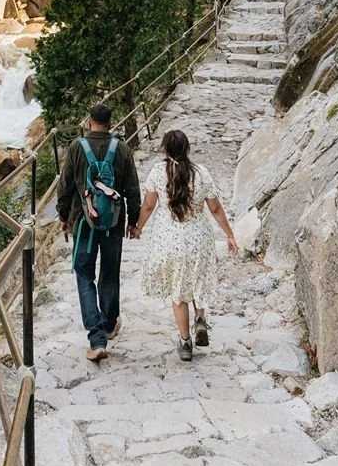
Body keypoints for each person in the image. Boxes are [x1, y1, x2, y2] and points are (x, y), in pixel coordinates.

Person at [130, 129, 239, 361]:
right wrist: (229, 234)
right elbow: (215, 208)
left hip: (169, 240)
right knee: (198, 278)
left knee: (179, 291)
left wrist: (138, 227)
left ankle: (185, 341)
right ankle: (200, 318)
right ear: (187, 148)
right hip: (198, 237)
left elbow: (148, 205)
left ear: (165, 150)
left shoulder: (158, 172)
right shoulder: (201, 173)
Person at [56, 101, 141, 362]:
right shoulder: (122, 149)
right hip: (113, 222)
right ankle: (109, 322)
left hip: (84, 222)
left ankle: (96, 338)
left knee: (84, 273)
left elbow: (65, 186)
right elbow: (132, 189)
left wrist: (63, 216)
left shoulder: (76, 148)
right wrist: (133, 220)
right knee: (110, 272)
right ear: (110, 123)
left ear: (89, 122)